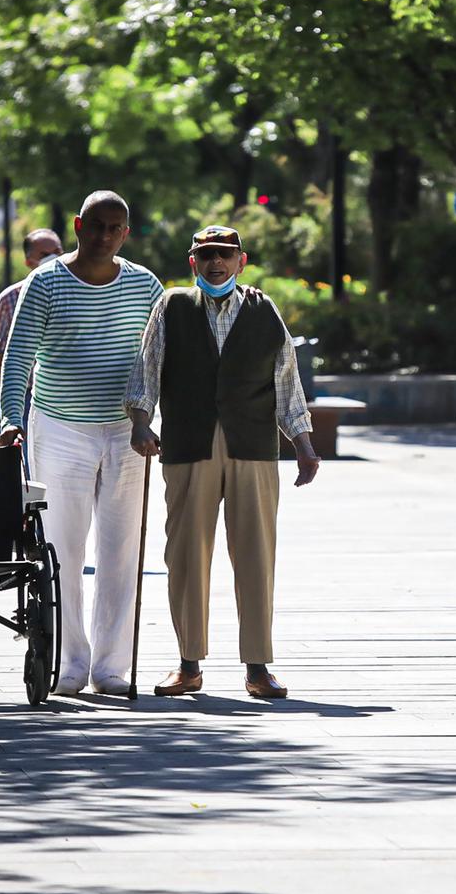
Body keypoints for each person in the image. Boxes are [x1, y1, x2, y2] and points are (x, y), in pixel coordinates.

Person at [126, 225, 319, 699]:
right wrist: (140, 421)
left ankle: (258, 666)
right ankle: (188, 663)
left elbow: (286, 381)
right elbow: (146, 371)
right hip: (189, 443)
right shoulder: (172, 306)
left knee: (256, 554)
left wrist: (304, 443)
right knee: (186, 553)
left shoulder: (263, 310)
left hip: (252, 445)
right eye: (206, 254)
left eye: (224, 255)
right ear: (193, 262)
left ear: (241, 260)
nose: (216, 263)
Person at [0, 190, 164, 696]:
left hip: (125, 432)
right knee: (63, 548)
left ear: (126, 234)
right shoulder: (45, 282)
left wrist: (152, 419)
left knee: (121, 550)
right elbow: (18, 355)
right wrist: (9, 417)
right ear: (77, 226)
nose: (105, 236)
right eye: (96, 226)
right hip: (60, 428)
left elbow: (156, 358)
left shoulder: (144, 285)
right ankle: (70, 661)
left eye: (116, 228)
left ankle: (111, 667)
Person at [0, 229, 64, 437]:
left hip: (68, 395)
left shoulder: (79, 291)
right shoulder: (11, 298)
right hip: (28, 396)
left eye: (57, 251)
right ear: (29, 261)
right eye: (45, 255)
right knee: (32, 462)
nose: (54, 257)